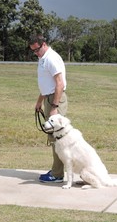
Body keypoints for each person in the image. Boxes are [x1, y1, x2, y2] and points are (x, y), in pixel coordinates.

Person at [29, 34, 68, 183]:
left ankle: (57, 174)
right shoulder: (43, 58)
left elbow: (59, 84)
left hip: (55, 99)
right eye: (33, 51)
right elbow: (47, 84)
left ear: (43, 44)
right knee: (53, 137)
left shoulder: (51, 58)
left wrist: (54, 107)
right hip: (49, 98)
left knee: (57, 137)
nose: (36, 53)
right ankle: (56, 170)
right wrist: (40, 101)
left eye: (37, 49)